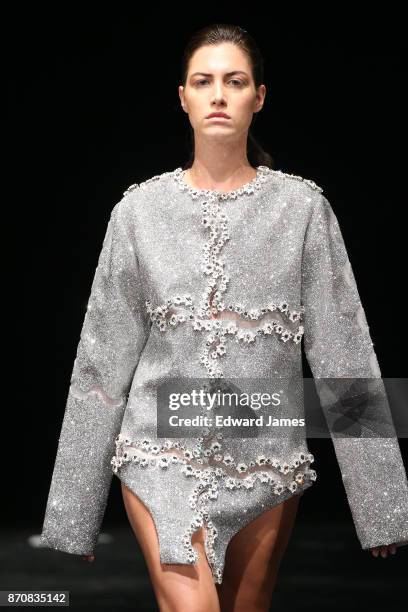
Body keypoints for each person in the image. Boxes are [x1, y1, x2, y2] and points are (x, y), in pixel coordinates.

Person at [40, 23, 408, 612]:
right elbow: (100, 362)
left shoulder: (302, 209)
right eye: (202, 81)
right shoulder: (138, 213)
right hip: (158, 450)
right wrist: (75, 509)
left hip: (267, 450)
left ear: (258, 96)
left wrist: (382, 502)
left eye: (234, 82)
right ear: (181, 96)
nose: (217, 95)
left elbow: (346, 351)